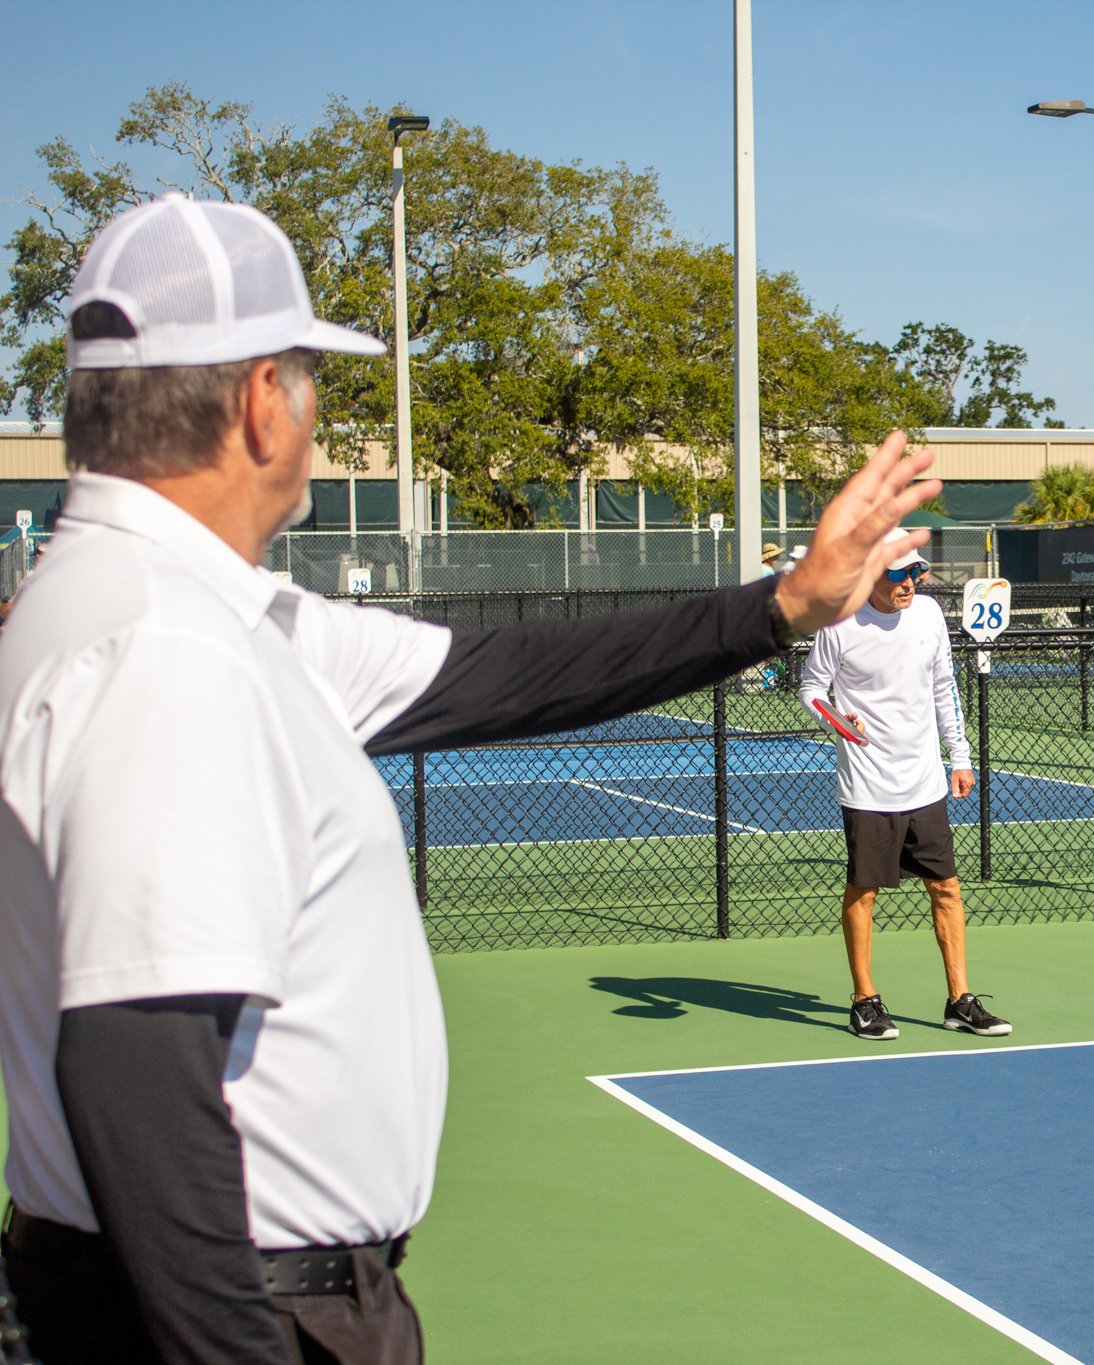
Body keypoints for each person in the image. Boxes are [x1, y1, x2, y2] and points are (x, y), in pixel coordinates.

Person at [0, 193, 939, 1365]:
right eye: (308, 380)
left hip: (201, 1294)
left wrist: (781, 608)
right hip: (236, 1311)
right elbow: (134, 1061)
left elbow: (498, 675)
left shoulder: (166, 612)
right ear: (258, 403)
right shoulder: (165, 647)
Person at [798, 530, 1009, 1042]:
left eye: (915, 572)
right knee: (864, 891)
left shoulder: (930, 615)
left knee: (946, 888)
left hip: (925, 782)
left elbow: (944, 688)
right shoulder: (839, 623)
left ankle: (960, 1000)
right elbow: (811, 689)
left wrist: (959, 756)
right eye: (898, 575)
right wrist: (838, 721)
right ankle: (865, 1001)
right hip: (868, 785)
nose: (910, 582)